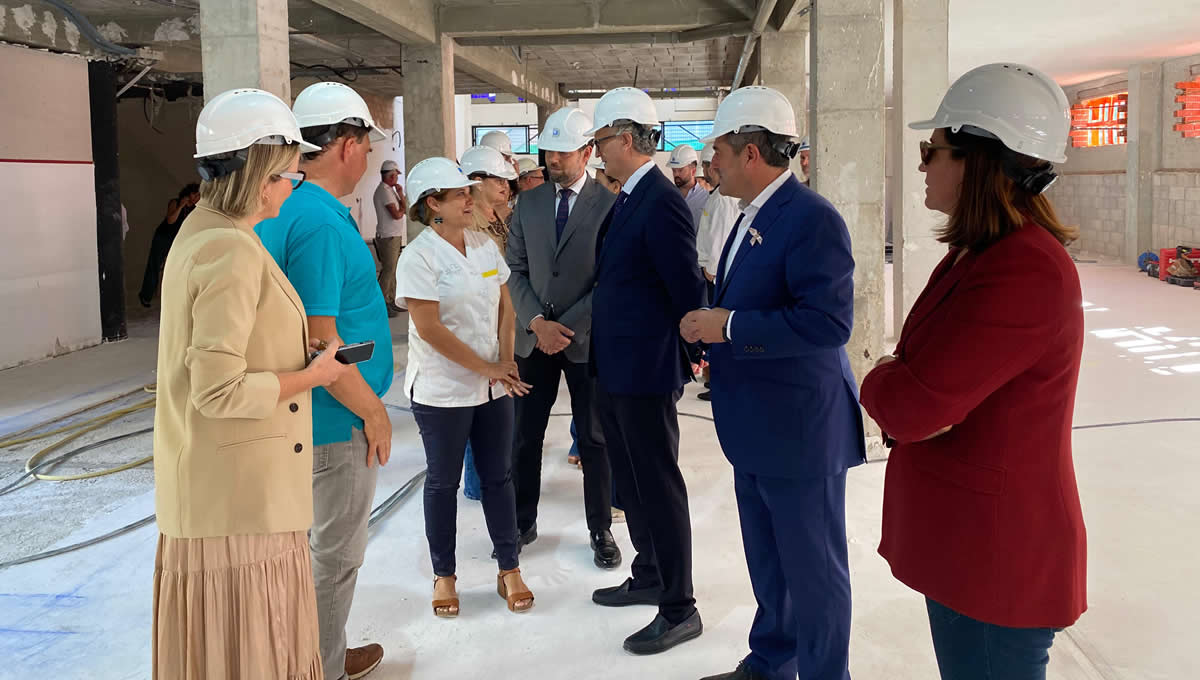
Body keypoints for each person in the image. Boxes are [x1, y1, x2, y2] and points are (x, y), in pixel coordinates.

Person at [859, 63, 1087, 680]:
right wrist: (905, 387)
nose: (922, 166)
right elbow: (922, 401)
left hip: (998, 553)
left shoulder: (1025, 271)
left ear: (979, 160)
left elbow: (912, 404)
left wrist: (879, 378)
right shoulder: (978, 254)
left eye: (932, 151)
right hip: (966, 542)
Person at [152, 88, 351, 680]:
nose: (294, 186)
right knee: (251, 652)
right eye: (290, 173)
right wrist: (312, 376)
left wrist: (297, 355)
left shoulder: (205, 230)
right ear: (260, 173)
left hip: (229, 495)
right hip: (239, 505)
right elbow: (217, 390)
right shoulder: (229, 249)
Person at [681, 86, 865, 680]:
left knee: (813, 570)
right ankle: (773, 661)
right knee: (769, 560)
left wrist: (728, 325)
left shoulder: (812, 218)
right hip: (757, 423)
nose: (713, 165)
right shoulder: (748, 214)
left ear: (752, 152)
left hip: (800, 429)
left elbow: (828, 322)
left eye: (720, 154)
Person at [255, 81, 393, 680]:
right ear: (346, 145)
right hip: (334, 421)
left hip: (312, 417)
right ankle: (323, 670)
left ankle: (321, 651)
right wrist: (374, 410)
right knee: (333, 559)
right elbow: (321, 340)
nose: (369, 157)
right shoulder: (319, 223)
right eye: (366, 143)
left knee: (314, 557)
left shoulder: (299, 208)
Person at [587, 86, 706, 655]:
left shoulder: (659, 200)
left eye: (602, 141)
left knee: (658, 484)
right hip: (617, 367)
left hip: (646, 369)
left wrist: (690, 354)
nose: (598, 153)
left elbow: (685, 287)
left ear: (628, 139)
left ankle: (680, 606)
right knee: (631, 482)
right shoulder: (631, 196)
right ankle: (651, 570)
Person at [394, 156, 536, 618]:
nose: (469, 200)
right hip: (442, 390)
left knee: (499, 476)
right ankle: (444, 575)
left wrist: (506, 358)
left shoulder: (483, 246)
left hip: (493, 384)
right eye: (459, 195)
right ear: (433, 204)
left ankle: (508, 568)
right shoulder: (417, 257)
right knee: (442, 482)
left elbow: (505, 307)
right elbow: (430, 329)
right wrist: (486, 367)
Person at [505, 106, 620, 570]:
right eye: (548, 150)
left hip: (584, 340)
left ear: (587, 152)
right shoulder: (528, 203)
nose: (552, 158)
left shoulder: (609, 206)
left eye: (563, 151)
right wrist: (536, 322)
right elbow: (514, 270)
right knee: (525, 436)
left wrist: (565, 327)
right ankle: (521, 520)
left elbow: (610, 280)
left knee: (594, 438)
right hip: (534, 340)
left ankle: (600, 527)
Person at [458, 144, 520, 502]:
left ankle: (491, 476)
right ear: (477, 181)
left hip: (503, 315)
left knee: (496, 406)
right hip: (483, 320)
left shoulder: (497, 217)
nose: (505, 185)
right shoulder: (468, 222)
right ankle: (477, 484)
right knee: (478, 403)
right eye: (497, 178)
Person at [693, 142, 741, 402]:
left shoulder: (723, 199)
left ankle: (721, 383)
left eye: (707, 165)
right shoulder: (717, 195)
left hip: (716, 277)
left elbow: (719, 238)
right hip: (712, 274)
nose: (706, 170)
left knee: (718, 330)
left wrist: (711, 271)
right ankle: (717, 381)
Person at [138, 183, 200, 307]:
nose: (196, 197)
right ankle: (145, 296)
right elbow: (170, 220)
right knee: (154, 265)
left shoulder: (196, 209)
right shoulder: (175, 202)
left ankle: (177, 298)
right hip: (163, 237)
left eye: (199, 195)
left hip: (177, 240)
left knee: (179, 267)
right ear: (189, 194)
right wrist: (181, 206)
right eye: (195, 194)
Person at [374, 159, 407, 318]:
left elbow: (404, 210)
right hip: (388, 236)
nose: (397, 178)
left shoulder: (390, 190)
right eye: (395, 175)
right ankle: (381, 304)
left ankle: (390, 300)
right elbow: (397, 214)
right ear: (391, 176)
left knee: (393, 270)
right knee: (388, 271)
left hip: (393, 235)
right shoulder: (384, 191)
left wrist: (400, 194)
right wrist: (401, 205)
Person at [666, 145, 708, 228]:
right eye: (674, 170)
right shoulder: (667, 196)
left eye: (680, 170)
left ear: (693, 170)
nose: (676, 174)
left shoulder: (706, 198)